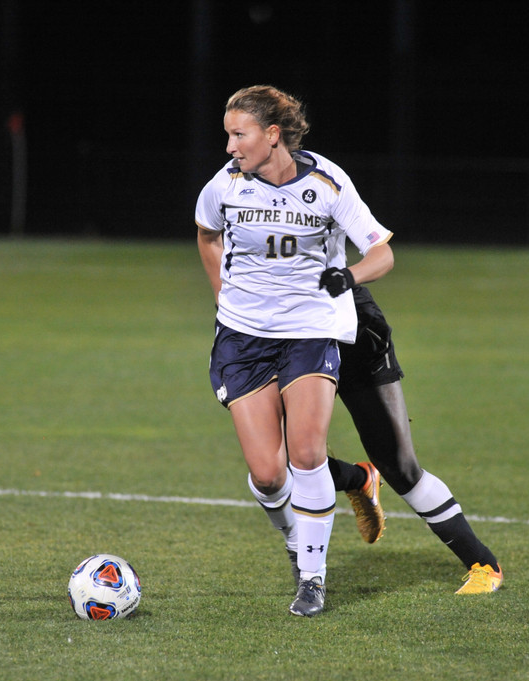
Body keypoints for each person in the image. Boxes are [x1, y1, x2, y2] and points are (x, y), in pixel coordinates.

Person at [195, 85, 394, 617]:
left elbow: (382, 251)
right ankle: (352, 483)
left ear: (273, 135)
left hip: (310, 330)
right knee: (267, 474)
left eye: (240, 135)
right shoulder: (225, 185)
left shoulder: (327, 182)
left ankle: (311, 579)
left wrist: (347, 275)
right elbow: (207, 235)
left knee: (305, 454)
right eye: (228, 136)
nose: (231, 147)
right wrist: (224, 299)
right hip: (243, 337)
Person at [326, 284, 504, 594]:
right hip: (281, 330)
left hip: (347, 324)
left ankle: (483, 564)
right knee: (277, 463)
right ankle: (358, 478)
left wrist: (345, 276)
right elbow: (212, 243)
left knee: (398, 466)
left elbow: (381, 254)